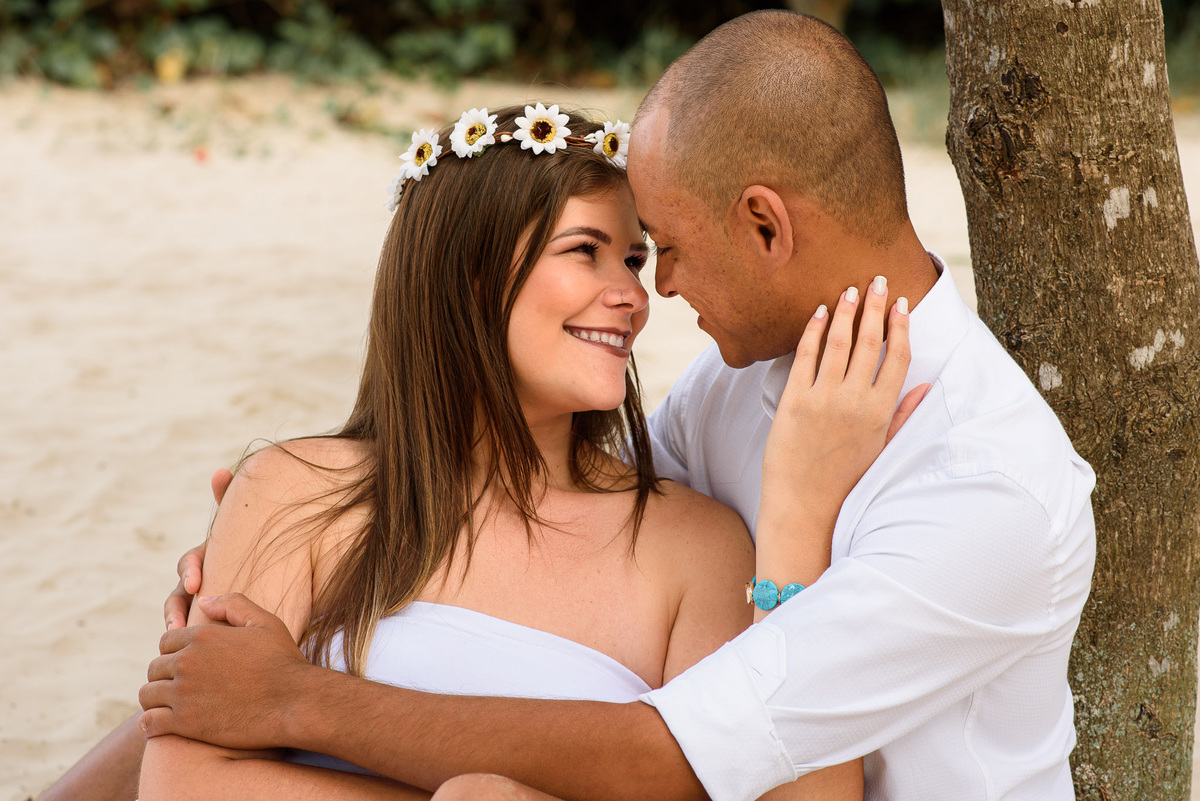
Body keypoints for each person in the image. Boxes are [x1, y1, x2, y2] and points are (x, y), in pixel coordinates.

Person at [61, 9, 1097, 801]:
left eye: (659, 250)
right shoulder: (741, 382)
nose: (654, 294)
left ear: (766, 227)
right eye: (600, 252)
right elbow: (545, 515)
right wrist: (244, 576)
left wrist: (793, 524)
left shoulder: (986, 486)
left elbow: (690, 755)